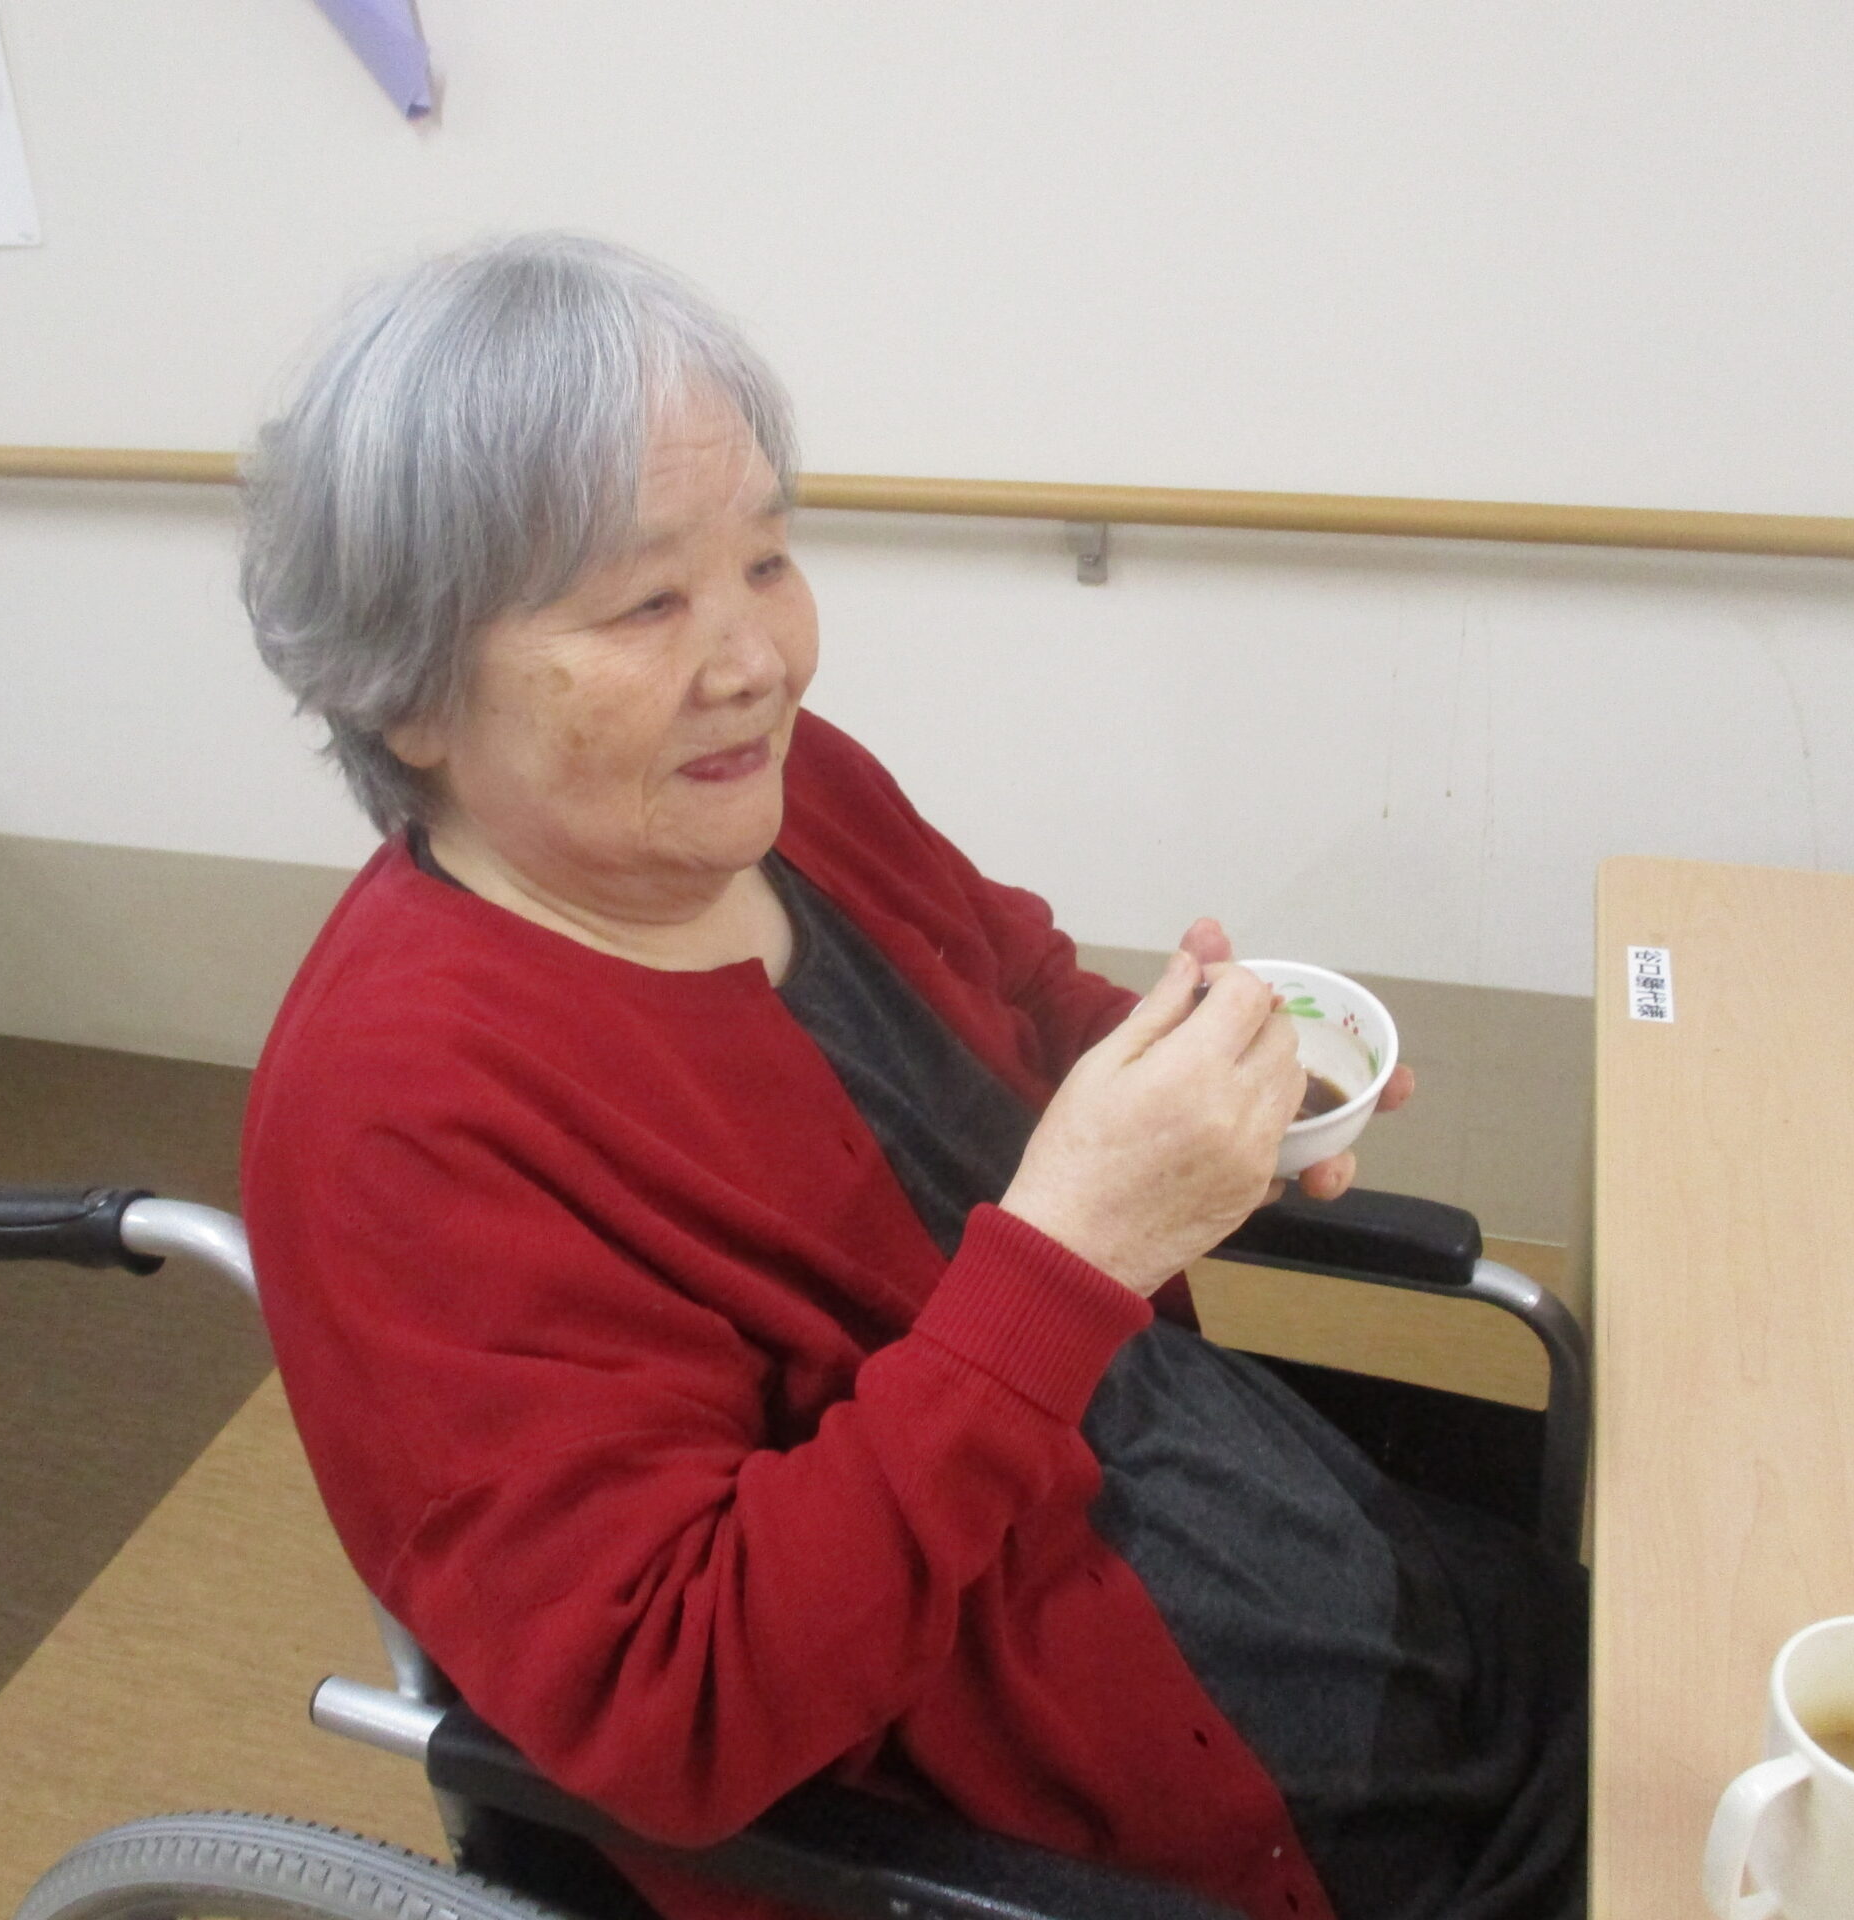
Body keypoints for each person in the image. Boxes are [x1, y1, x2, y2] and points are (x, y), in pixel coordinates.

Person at [238, 234, 1583, 1920]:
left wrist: (1199, 1074)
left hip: (1307, 1541)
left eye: (767, 559)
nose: (759, 661)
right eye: (648, 601)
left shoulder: (784, 789)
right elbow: (675, 1705)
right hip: (1149, 1810)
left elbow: (1014, 989)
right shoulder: (397, 1122)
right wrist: (1077, 1251)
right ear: (409, 690)